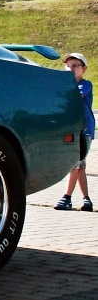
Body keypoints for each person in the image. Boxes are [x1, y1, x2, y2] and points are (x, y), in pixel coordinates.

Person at [55, 52, 94, 211]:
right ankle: (86, 199)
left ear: (84, 69)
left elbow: (75, 96)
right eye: (68, 66)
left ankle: (66, 197)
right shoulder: (64, 87)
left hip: (83, 130)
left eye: (75, 66)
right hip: (70, 129)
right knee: (79, 166)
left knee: (75, 164)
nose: (71, 69)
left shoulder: (85, 85)